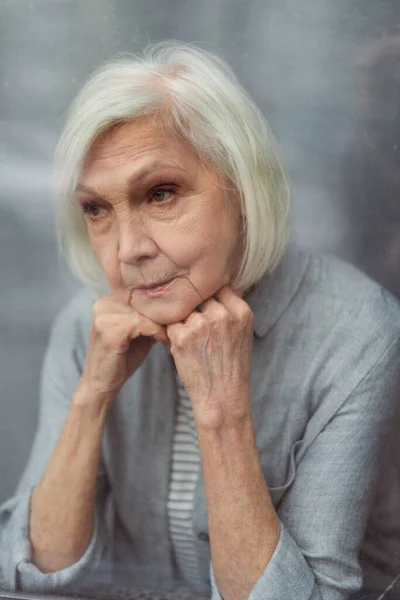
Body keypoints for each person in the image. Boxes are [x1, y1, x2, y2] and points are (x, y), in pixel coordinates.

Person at [0, 41, 399, 600]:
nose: (127, 250)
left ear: (243, 189)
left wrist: (221, 412)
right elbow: (31, 572)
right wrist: (92, 393)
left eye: (161, 193)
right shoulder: (87, 323)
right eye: (97, 209)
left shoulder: (358, 332)